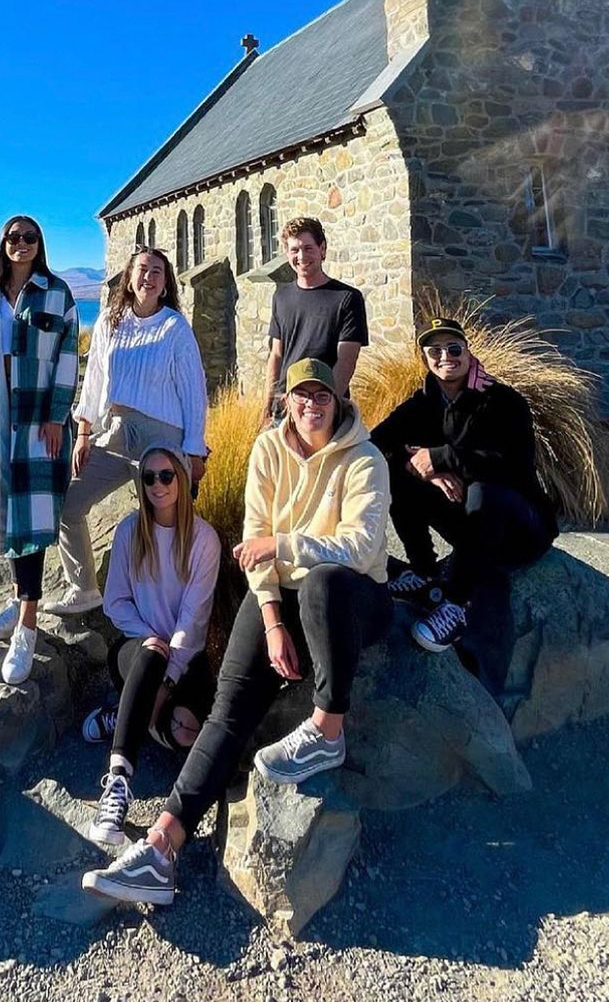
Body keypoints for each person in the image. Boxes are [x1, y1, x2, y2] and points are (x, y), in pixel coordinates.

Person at [81, 358, 391, 905]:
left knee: (321, 584)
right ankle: (161, 847)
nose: (312, 405)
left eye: (322, 395)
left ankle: (328, 729)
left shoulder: (363, 458)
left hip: (353, 595)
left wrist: (284, 546)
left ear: (338, 401)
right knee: (228, 707)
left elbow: (362, 547)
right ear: (287, 402)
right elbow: (253, 539)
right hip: (282, 592)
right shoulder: (269, 450)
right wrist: (271, 619)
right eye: (301, 396)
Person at [371, 317, 558, 691]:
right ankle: (424, 571)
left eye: (454, 348)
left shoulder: (502, 401)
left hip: (520, 527)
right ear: (425, 358)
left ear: (468, 352)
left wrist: (443, 458)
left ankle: (455, 604)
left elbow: (513, 466)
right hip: (472, 525)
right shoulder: (421, 403)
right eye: (434, 351)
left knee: (485, 488)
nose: (445, 357)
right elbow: (375, 444)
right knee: (394, 471)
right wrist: (421, 467)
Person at [45, 246, 209, 617]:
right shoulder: (108, 322)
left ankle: (170, 606)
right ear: (129, 278)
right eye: (142, 270)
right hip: (115, 432)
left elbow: (193, 391)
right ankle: (84, 588)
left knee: (162, 522)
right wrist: (84, 432)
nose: (148, 277)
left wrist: (194, 451)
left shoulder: (174, 327)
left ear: (165, 283)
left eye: (156, 272)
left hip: (161, 436)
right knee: (67, 503)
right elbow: (94, 382)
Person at [82, 445, 221, 846]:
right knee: (148, 655)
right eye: (149, 478)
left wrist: (170, 676)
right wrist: (149, 638)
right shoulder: (129, 531)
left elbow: (193, 620)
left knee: (185, 732)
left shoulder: (203, 539)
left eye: (166, 476)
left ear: (181, 477)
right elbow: (115, 603)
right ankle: (119, 781)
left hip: (185, 660)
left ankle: (125, 715)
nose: (158, 485)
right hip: (136, 651)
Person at [0, 215, 79, 685]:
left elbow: (68, 357)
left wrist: (55, 416)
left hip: (36, 419)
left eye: (30, 238)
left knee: (32, 517)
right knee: (8, 515)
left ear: (40, 244)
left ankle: (27, 627)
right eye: (14, 238)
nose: (22, 244)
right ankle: (18, 596)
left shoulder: (57, 294)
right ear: (2, 244)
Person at [263, 216, 369, 427]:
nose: (301, 256)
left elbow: (346, 361)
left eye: (308, 248)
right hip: (284, 409)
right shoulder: (281, 297)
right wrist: (268, 404)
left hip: (322, 411)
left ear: (322, 249)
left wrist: (328, 407)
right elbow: (276, 355)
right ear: (287, 253)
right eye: (294, 250)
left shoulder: (347, 298)